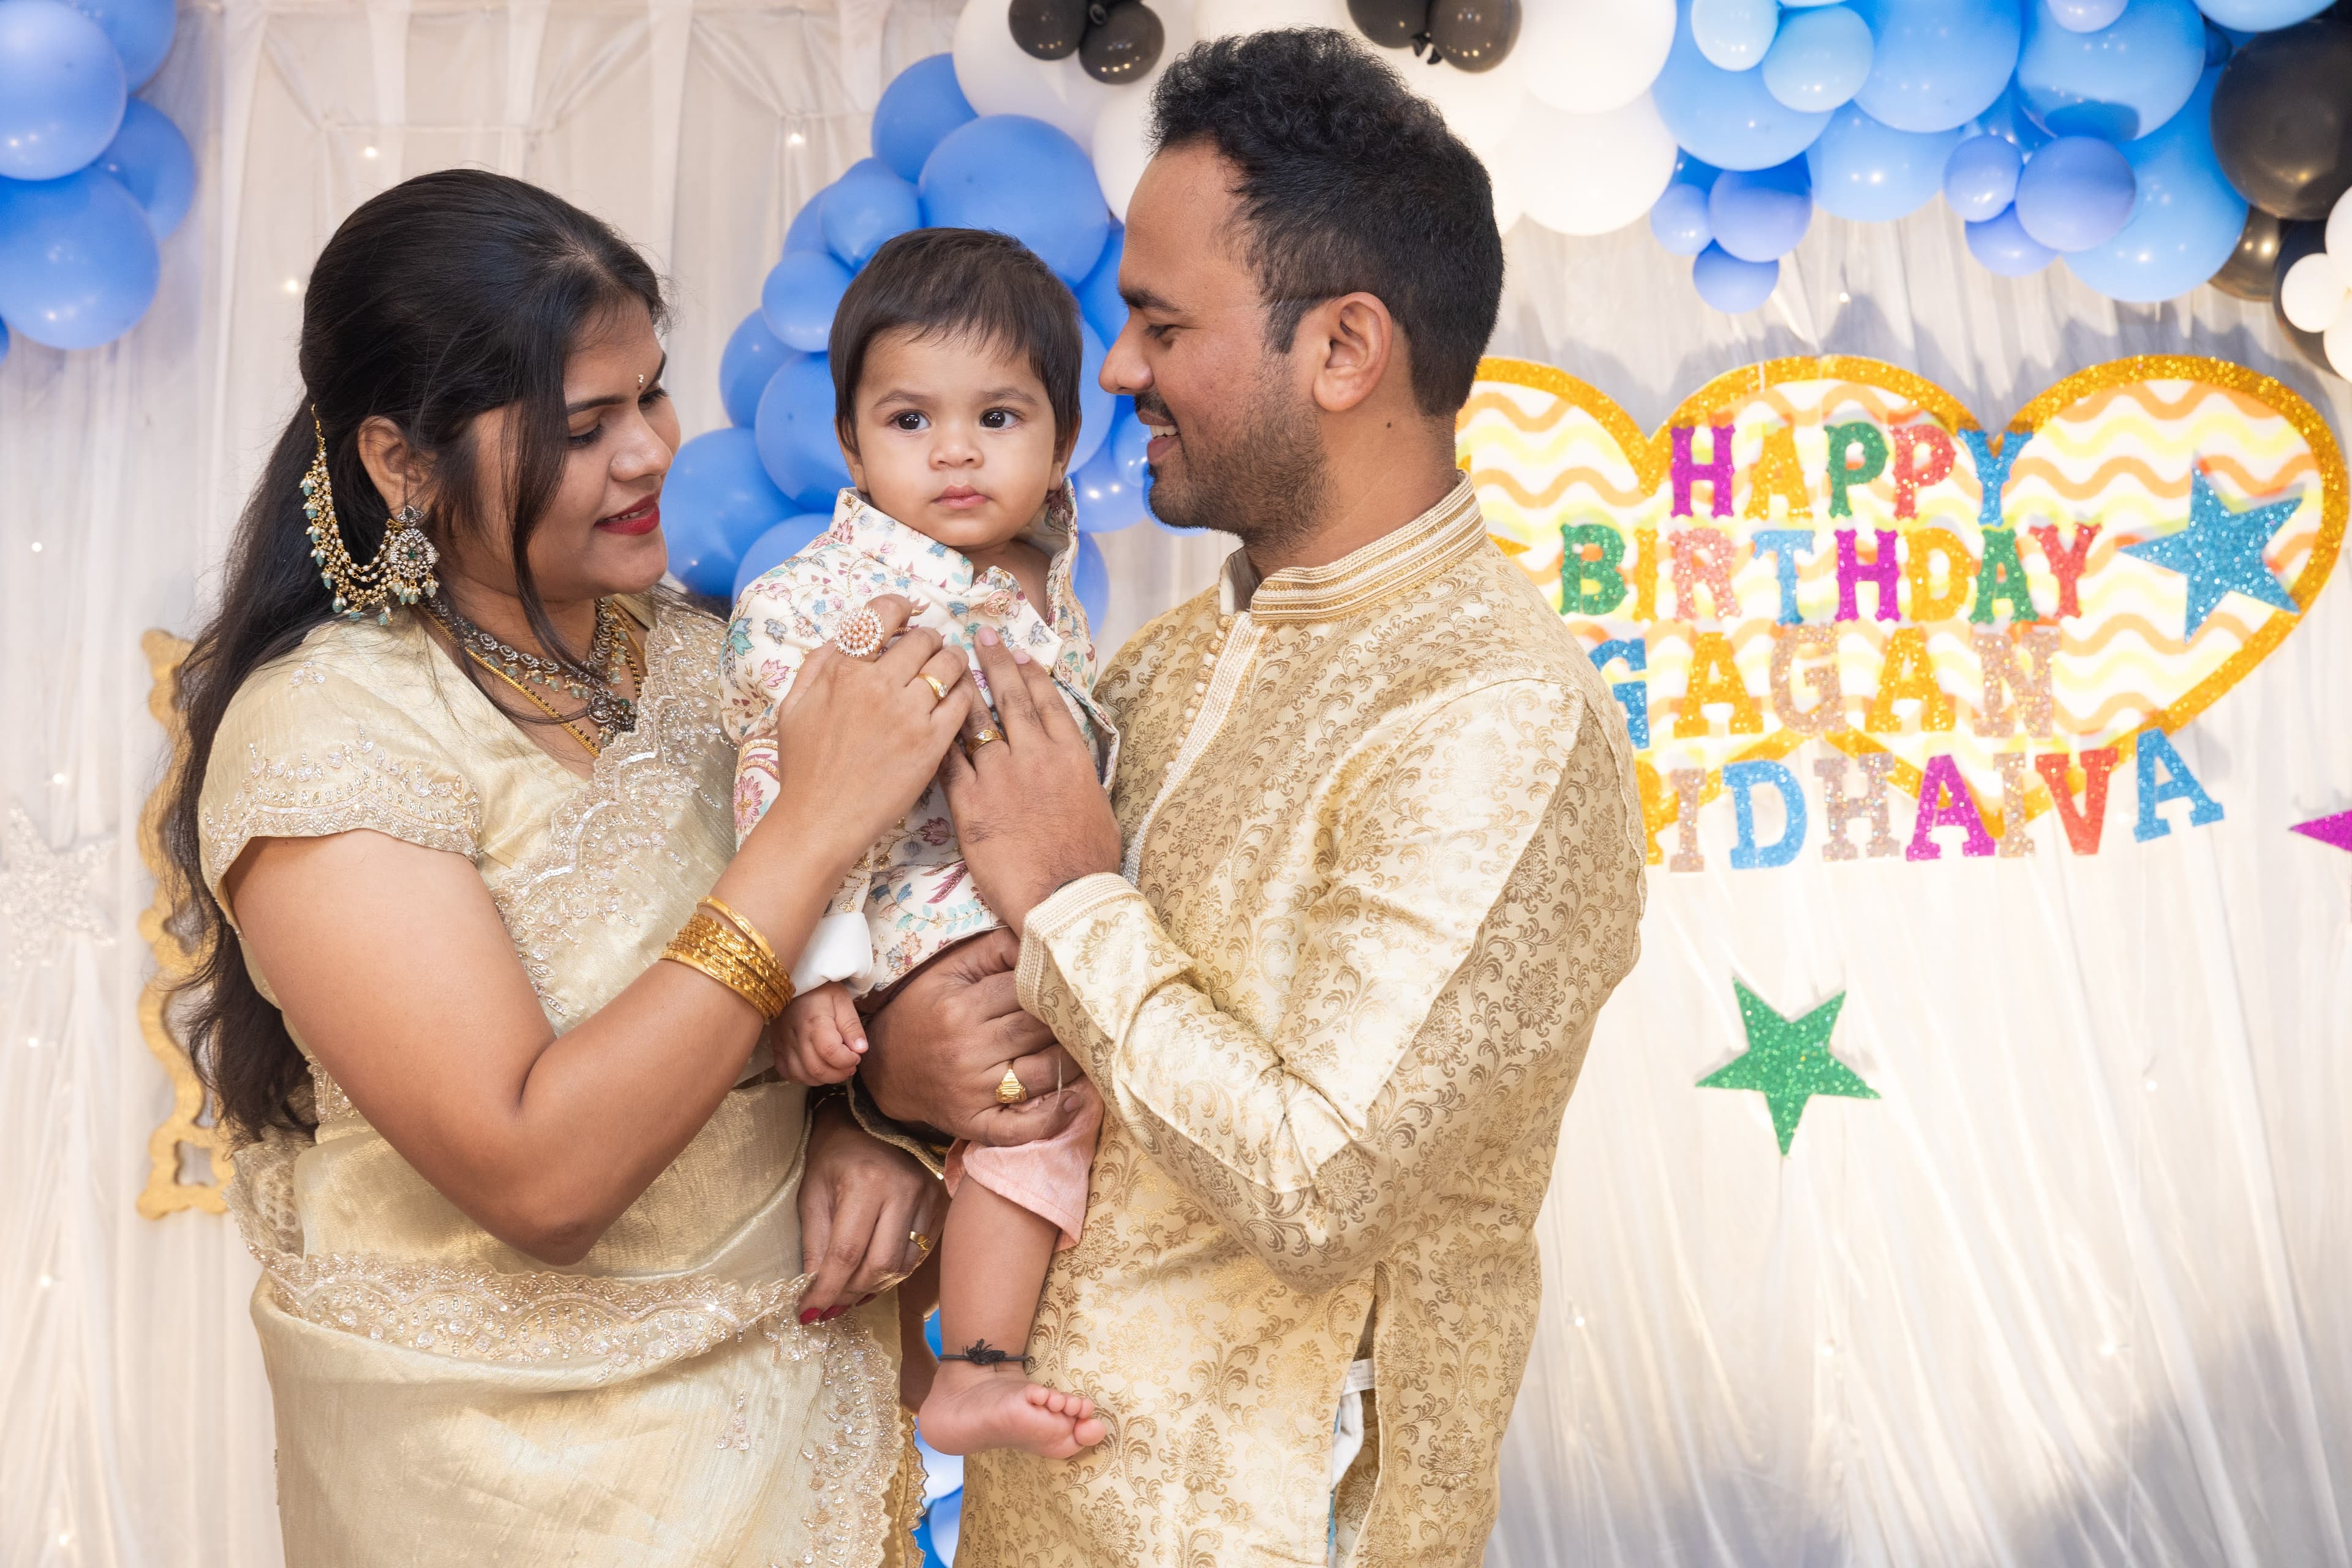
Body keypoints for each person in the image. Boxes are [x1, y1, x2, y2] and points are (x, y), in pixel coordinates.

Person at [162, 168, 1072, 1567]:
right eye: (587, 426)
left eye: (650, 394)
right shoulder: (328, 731)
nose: (652, 450)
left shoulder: (726, 658)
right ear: (405, 463)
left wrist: (871, 1111)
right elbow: (541, 1175)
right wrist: (812, 820)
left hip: (807, 1435)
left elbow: (832, 973)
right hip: (510, 1492)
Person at [885, 29, 1649, 1567]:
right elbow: (1022, 1049)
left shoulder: (1500, 718)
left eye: (1161, 323)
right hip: (1037, 1521)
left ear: (1345, 348)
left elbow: (1319, 1180)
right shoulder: (1164, 662)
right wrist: (900, 1082)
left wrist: (1072, 901)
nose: (1115, 370)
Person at [722, 228, 1114, 1460]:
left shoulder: (1043, 593)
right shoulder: (820, 598)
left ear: (1061, 443)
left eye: (998, 416)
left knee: (1052, 1111)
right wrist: (817, 976)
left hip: (1012, 911)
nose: (954, 450)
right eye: (908, 420)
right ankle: (980, 1362)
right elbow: (778, 788)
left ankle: (984, 1362)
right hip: (901, 921)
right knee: (1045, 1111)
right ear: (849, 442)